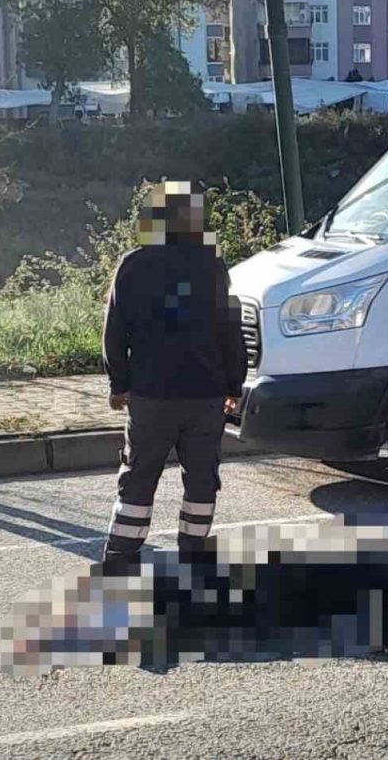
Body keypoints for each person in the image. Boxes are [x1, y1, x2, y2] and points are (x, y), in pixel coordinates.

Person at [100, 181, 247, 565]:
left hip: (151, 394)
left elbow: (114, 331)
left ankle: (120, 555)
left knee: (139, 476)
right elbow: (230, 329)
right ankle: (194, 553)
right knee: (201, 479)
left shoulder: (133, 264)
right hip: (205, 393)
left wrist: (119, 384)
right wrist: (235, 384)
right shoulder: (212, 265)